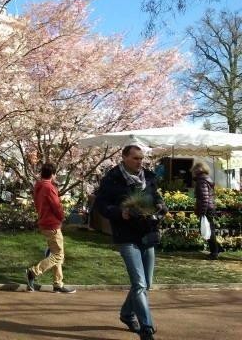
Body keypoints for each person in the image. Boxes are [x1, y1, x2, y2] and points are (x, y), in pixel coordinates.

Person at [94, 144, 168, 340]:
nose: (140, 162)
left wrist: (161, 205)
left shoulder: (149, 177)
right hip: (126, 236)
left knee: (146, 283)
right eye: (136, 158)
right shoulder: (112, 179)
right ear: (124, 158)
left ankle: (127, 314)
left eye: (141, 158)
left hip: (147, 233)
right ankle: (147, 328)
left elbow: (156, 196)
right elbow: (100, 205)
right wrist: (121, 212)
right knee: (139, 283)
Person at [25, 162, 76, 294]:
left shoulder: (38, 186)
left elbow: (37, 204)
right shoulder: (49, 187)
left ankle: (58, 284)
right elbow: (56, 206)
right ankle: (34, 271)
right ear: (53, 174)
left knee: (55, 253)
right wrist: (62, 217)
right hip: (52, 224)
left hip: (44, 222)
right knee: (59, 255)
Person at [193, 162, 219, 260]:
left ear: (198, 170)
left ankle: (214, 253)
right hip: (210, 207)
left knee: (209, 230)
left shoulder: (201, 181)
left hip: (206, 208)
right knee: (210, 229)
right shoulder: (206, 179)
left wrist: (202, 212)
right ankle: (216, 249)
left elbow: (204, 197)